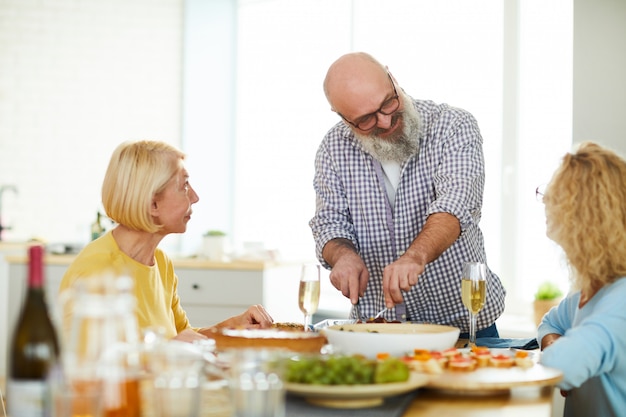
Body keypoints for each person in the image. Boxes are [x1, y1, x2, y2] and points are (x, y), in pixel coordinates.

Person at [309, 52, 505, 336]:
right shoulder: (333, 148)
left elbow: (456, 204)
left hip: (464, 327)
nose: (386, 122)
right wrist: (342, 255)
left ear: (393, 78)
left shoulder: (453, 125)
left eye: (388, 103)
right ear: (343, 118)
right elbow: (329, 224)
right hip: (376, 331)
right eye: (366, 120)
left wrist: (415, 256)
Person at [60, 140, 274, 343]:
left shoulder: (160, 263)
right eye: (185, 186)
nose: (195, 197)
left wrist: (234, 328)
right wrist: (167, 349)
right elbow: (94, 367)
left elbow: (183, 338)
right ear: (153, 203)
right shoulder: (96, 271)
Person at [537, 142, 626, 416]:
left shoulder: (620, 301)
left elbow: (561, 367)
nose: (545, 201)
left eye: (554, 196)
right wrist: (553, 339)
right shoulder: (592, 289)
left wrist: (561, 350)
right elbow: (550, 322)